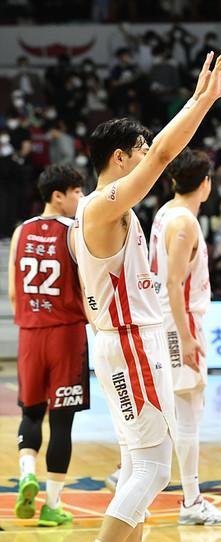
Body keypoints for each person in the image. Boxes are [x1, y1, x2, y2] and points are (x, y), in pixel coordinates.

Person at [72, 49, 221, 542]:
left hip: (120, 340)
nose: (149, 156)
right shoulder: (102, 205)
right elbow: (165, 153)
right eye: (139, 149)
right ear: (119, 157)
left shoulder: (93, 212)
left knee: (136, 464)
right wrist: (202, 101)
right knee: (154, 469)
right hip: (130, 341)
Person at [149, 148, 221, 525]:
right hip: (178, 321)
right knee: (187, 413)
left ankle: (135, 476)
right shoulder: (184, 223)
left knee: (175, 410)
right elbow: (173, 283)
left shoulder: (164, 212)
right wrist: (185, 338)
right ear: (205, 184)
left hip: (166, 320)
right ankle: (190, 501)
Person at [8, 165, 86, 527]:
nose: (81, 199)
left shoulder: (20, 231)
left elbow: (13, 294)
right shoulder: (74, 231)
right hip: (66, 334)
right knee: (62, 423)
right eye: (77, 192)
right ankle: (52, 505)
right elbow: (87, 285)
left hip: (29, 333)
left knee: (31, 413)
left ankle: (27, 473)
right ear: (59, 195)